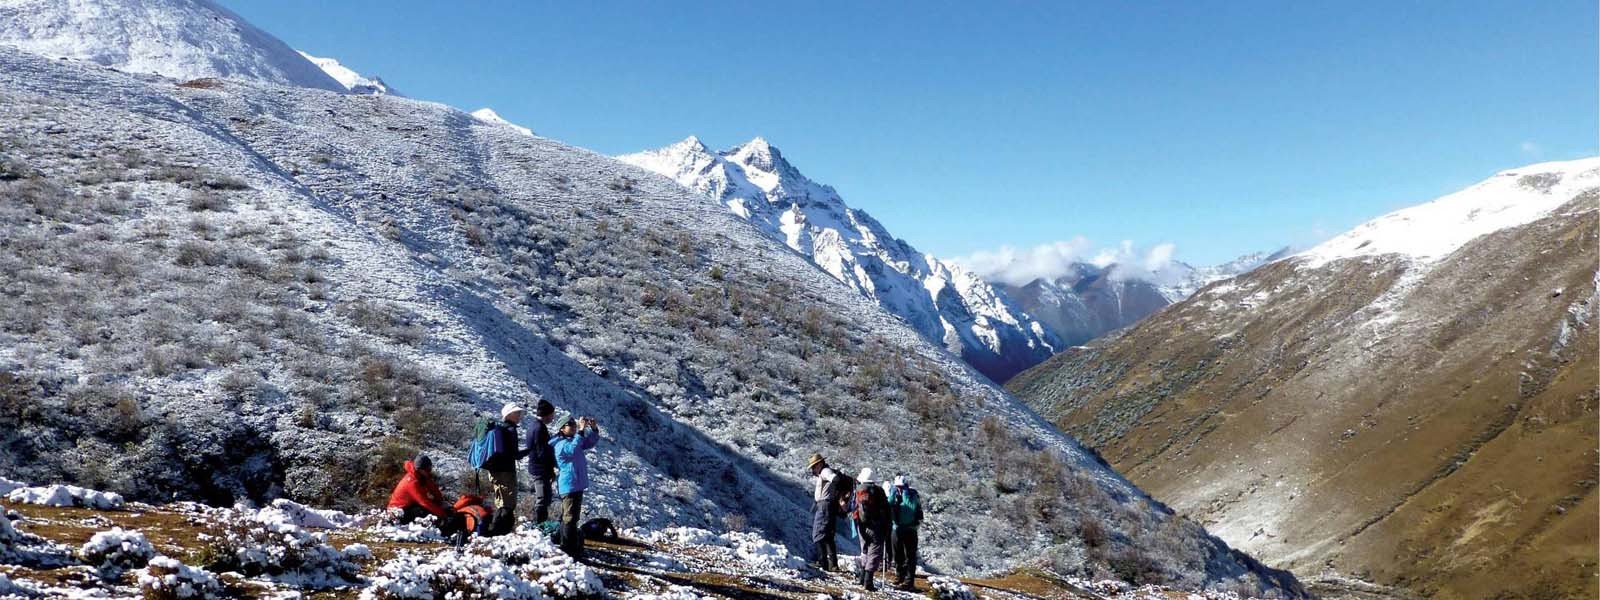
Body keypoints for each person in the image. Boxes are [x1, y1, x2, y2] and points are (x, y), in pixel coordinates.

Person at [550, 414, 600, 558]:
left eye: (574, 425)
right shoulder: (560, 444)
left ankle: (568, 545)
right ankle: (568, 548)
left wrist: (594, 429)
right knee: (569, 518)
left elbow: (589, 443)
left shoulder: (573, 441)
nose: (573, 427)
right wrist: (581, 430)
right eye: (569, 425)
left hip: (576, 484)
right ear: (561, 429)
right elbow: (572, 450)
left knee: (572, 517)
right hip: (569, 484)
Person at [484, 403, 532, 532]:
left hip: (493, 470)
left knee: (501, 503)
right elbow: (514, 454)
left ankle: (494, 531)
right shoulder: (510, 430)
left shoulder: (498, 429)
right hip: (506, 472)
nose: (519, 416)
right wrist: (529, 450)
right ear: (509, 414)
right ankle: (499, 531)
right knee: (508, 504)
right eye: (517, 413)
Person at [851, 468, 891, 591]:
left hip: (860, 525)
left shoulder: (858, 490)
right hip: (875, 526)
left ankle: (862, 578)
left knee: (864, 550)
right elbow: (887, 510)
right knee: (874, 551)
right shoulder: (878, 491)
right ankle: (868, 582)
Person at [386, 454, 450, 525]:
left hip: (410, 505)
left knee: (433, 506)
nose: (429, 471)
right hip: (398, 511)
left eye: (430, 468)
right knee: (426, 512)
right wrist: (443, 514)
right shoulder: (412, 482)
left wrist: (441, 502)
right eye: (428, 469)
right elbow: (424, 502)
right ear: (420, 469)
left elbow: (433, 488)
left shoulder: (422, 475)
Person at [524, 400, 558, 524]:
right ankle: (539, 526)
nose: (553, 418)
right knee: (543, 499)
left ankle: (540, 525)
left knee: (543, 497)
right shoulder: (539, 428)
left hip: (537, 468)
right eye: (552, 415)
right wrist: (551, 469)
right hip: (540, 469)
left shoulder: (534, 426)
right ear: (547, 414)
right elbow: (542, 452)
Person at [887, 475, 924, 590]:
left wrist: (905, 495)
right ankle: (900, 576)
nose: (899, 488)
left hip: (910, 529)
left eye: (901, 487)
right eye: (897, 487)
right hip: (897, 528)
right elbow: (889, 505)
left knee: (910, 556)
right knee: (897, 554)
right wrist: (892, 494)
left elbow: (911, 507)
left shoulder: (912, 495)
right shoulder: (894, 493)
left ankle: (909, 581)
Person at [807, 453, 841, 571]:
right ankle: (833, 564)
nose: (813, 469)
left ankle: (823, 563)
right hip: (830, 505)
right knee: (828, 535)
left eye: (814, 466)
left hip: (824, 505)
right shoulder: (825, 471)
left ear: (820, 464)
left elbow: (835, 479)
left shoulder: (825, 471)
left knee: (818, 533)